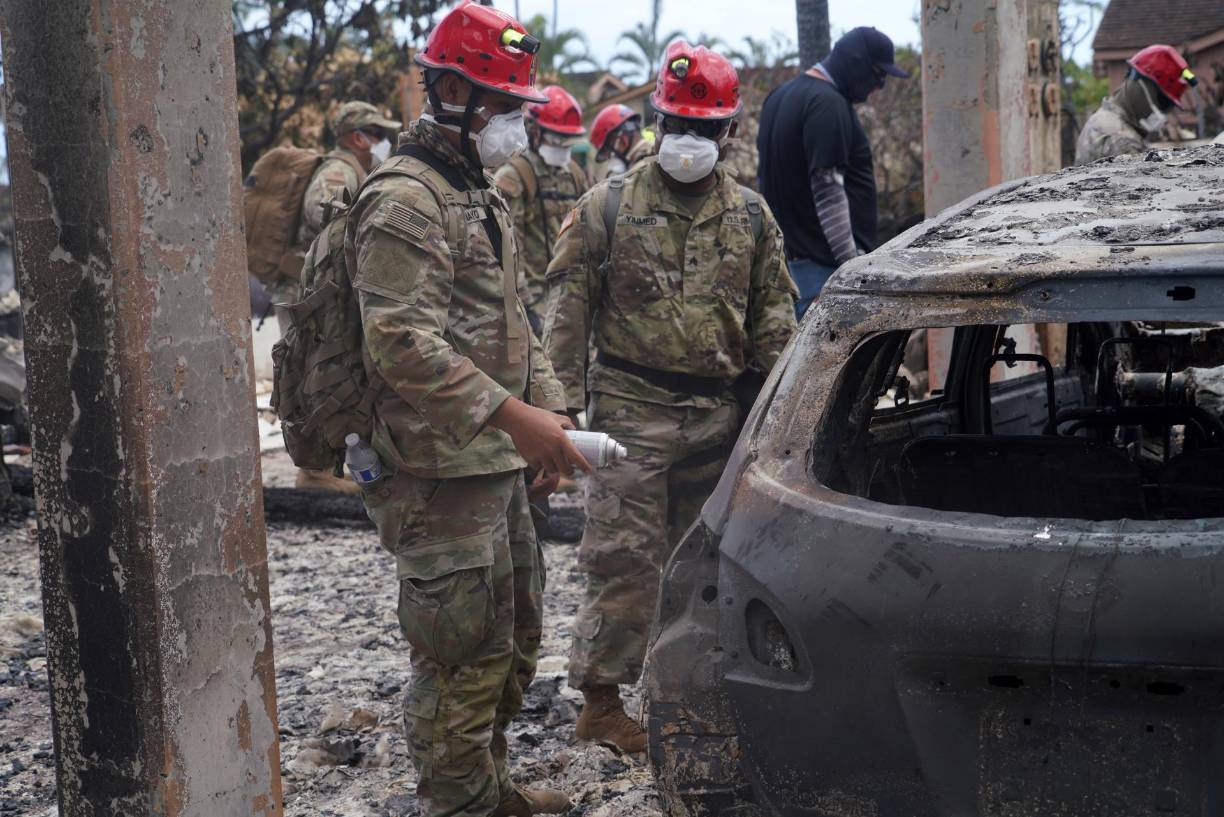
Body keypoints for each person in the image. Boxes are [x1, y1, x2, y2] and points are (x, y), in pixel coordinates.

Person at [347, 3, 590, 814]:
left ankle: (488, 790)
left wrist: (547, 416)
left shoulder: (475, 192)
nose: (517, 124)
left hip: (492, 459)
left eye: (520, 106)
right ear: (448, 90)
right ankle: (460, 805)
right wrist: (514, 418)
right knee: (458, 658)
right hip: (437, 470)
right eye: (504, 105)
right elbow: (401, 344)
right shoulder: (405, 201)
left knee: (510, 645)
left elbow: (515, 319)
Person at [542, 41, 798, 755]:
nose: (691, 142)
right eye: (678, 125)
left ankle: (684, 687)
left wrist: (783, 415)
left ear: (730, 133)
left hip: (717, 418)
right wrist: (559, 415)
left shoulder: (751, 217)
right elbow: (566, 314)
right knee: (622, 557)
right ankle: (600, 700)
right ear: (657, 120)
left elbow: (776, 319)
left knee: (704, 562)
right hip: (630, 410)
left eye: (705, 129)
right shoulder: (607, 207)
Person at [757, 27, 910, 318]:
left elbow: (765, 179)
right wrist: (850, 269)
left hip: (792, 267)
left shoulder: (779, 96)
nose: (879, 86)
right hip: (825, 274)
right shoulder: (827, 104)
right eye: (879, 75)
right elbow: (828, 188)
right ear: (856, 63)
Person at [494, 86, 590, 333]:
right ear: (534, 132)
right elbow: (510, 251)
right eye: (557, 139)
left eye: (567, 141)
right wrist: (527, 308)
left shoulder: (574, 175)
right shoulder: (514, 176)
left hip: (571, 300)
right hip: (535, 304)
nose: (563, 148)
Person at [1076, 45, 1197, 165]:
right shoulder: (1122, 142)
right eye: (1163, 102)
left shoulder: (1102, 119)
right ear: (1142, 86)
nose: (1163, 112)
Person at [588, 103, 656, 182]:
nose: (610, 158)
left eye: (609, 152)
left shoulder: (641, 169)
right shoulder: (656, 153)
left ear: (623, 140)